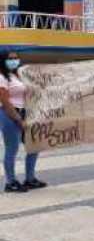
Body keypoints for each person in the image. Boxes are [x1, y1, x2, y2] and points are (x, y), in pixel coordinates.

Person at [0, 51, 45, 193]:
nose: (14, 60)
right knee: (12, 149)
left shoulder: (16, 75)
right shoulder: (1, 77)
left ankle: (30, 179)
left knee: (35, 145)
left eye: (16, 58)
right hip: (9, 114)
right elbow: (5, 102)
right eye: (10, 58)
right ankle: (10, 182)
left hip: (25, 112)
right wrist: (18, 119)